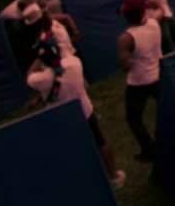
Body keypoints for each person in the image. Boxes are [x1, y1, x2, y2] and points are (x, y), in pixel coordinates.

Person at [25, 35, 126, 188]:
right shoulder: (75, 63)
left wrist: (39, 59)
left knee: (71, 151)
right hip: (85, 111)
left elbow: (30, 75)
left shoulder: (40, 79)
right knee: (100, 142)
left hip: (61, 119)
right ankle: (113, 176)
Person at [117, 0, 163, 161]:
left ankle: (149, 150)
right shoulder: (154, 23)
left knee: (134, 118)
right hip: (158, 76)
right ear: (143, 12)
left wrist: (128, 58)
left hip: (138, 82)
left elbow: (126, 67)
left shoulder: (125, 38)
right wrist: (151, 2)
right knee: (170, 108)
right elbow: (160, 9)